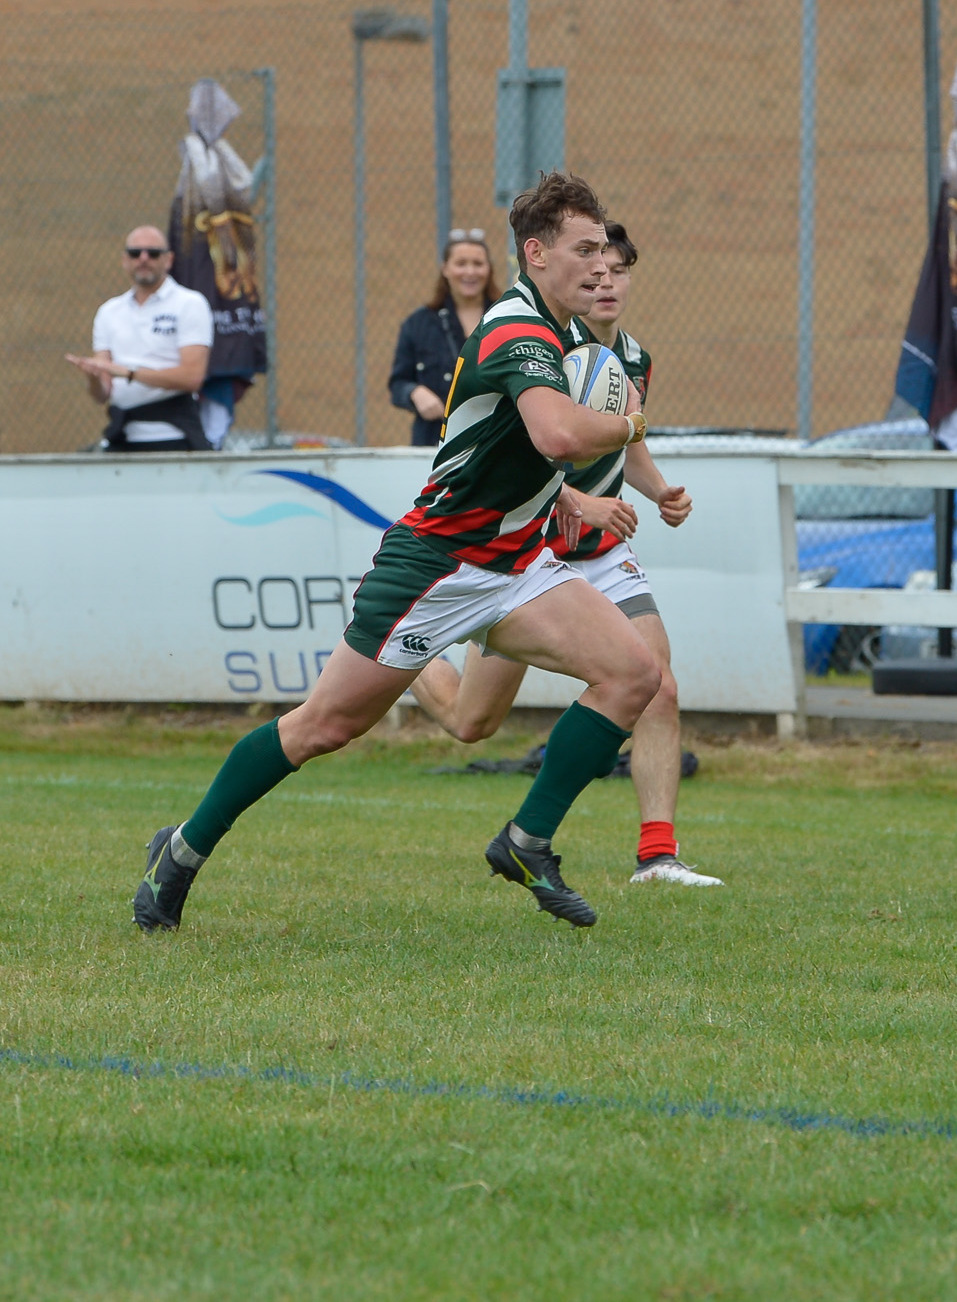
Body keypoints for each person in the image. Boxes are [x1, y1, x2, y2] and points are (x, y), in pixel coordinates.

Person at [132, 172, 661, 933]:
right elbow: (559, 436)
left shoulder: (573, 335)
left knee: (634, 672)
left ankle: (526, 840)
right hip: (437, 566)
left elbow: (519, 453)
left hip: (517, 563)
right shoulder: (518, 330)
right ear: (537, 253)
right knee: (322, 727)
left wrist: (571, 495)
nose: (599, 264)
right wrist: (630, 426)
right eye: (584, 249)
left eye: (604, 250)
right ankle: (180, 850)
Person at [411, 221, 720, 887]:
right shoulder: (547, 344)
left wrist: (659, 487)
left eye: (618, 271)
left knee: (657, 683)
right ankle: (408, 655)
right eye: (595, 269)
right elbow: (529, 447)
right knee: (473, 722)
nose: (605, 282)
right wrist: (576, 498)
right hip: (528, 551)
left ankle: (658, 855)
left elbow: (623, 443)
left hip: (603, 553)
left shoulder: (634, 358)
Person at [66, 226, 214, 452]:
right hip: (123, 438)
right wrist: (94, 377)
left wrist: (129, 372)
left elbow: (192, 377)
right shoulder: (109, 311)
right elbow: (102, 394)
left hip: (175, 437)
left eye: (153, 253)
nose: (143, 259)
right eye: (135, 253)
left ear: (168, 260)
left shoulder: (190, 304)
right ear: (125, 260)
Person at [390, 228, 501, 446]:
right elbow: (398, 383)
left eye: (478, 264)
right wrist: (414, 392)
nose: (470, 272)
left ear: (488, 270)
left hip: (495, 444)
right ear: (445, 269)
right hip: (435, 444)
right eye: (461, 264)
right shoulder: (418, 324)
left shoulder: (508, 318)